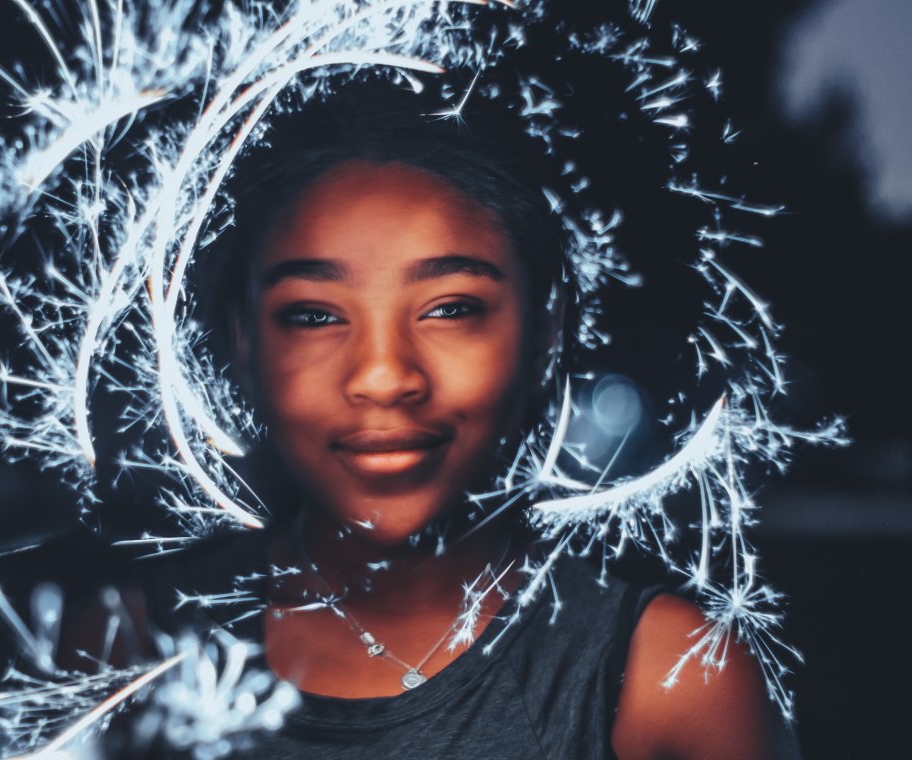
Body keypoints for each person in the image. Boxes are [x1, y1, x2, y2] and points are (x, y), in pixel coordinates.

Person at [81, 96, 801, 759]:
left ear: (545, 326)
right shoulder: (125, 649)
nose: (386, 375)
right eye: (314, 315)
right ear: (243, 341)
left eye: (451, 307)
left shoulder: (671, 681)